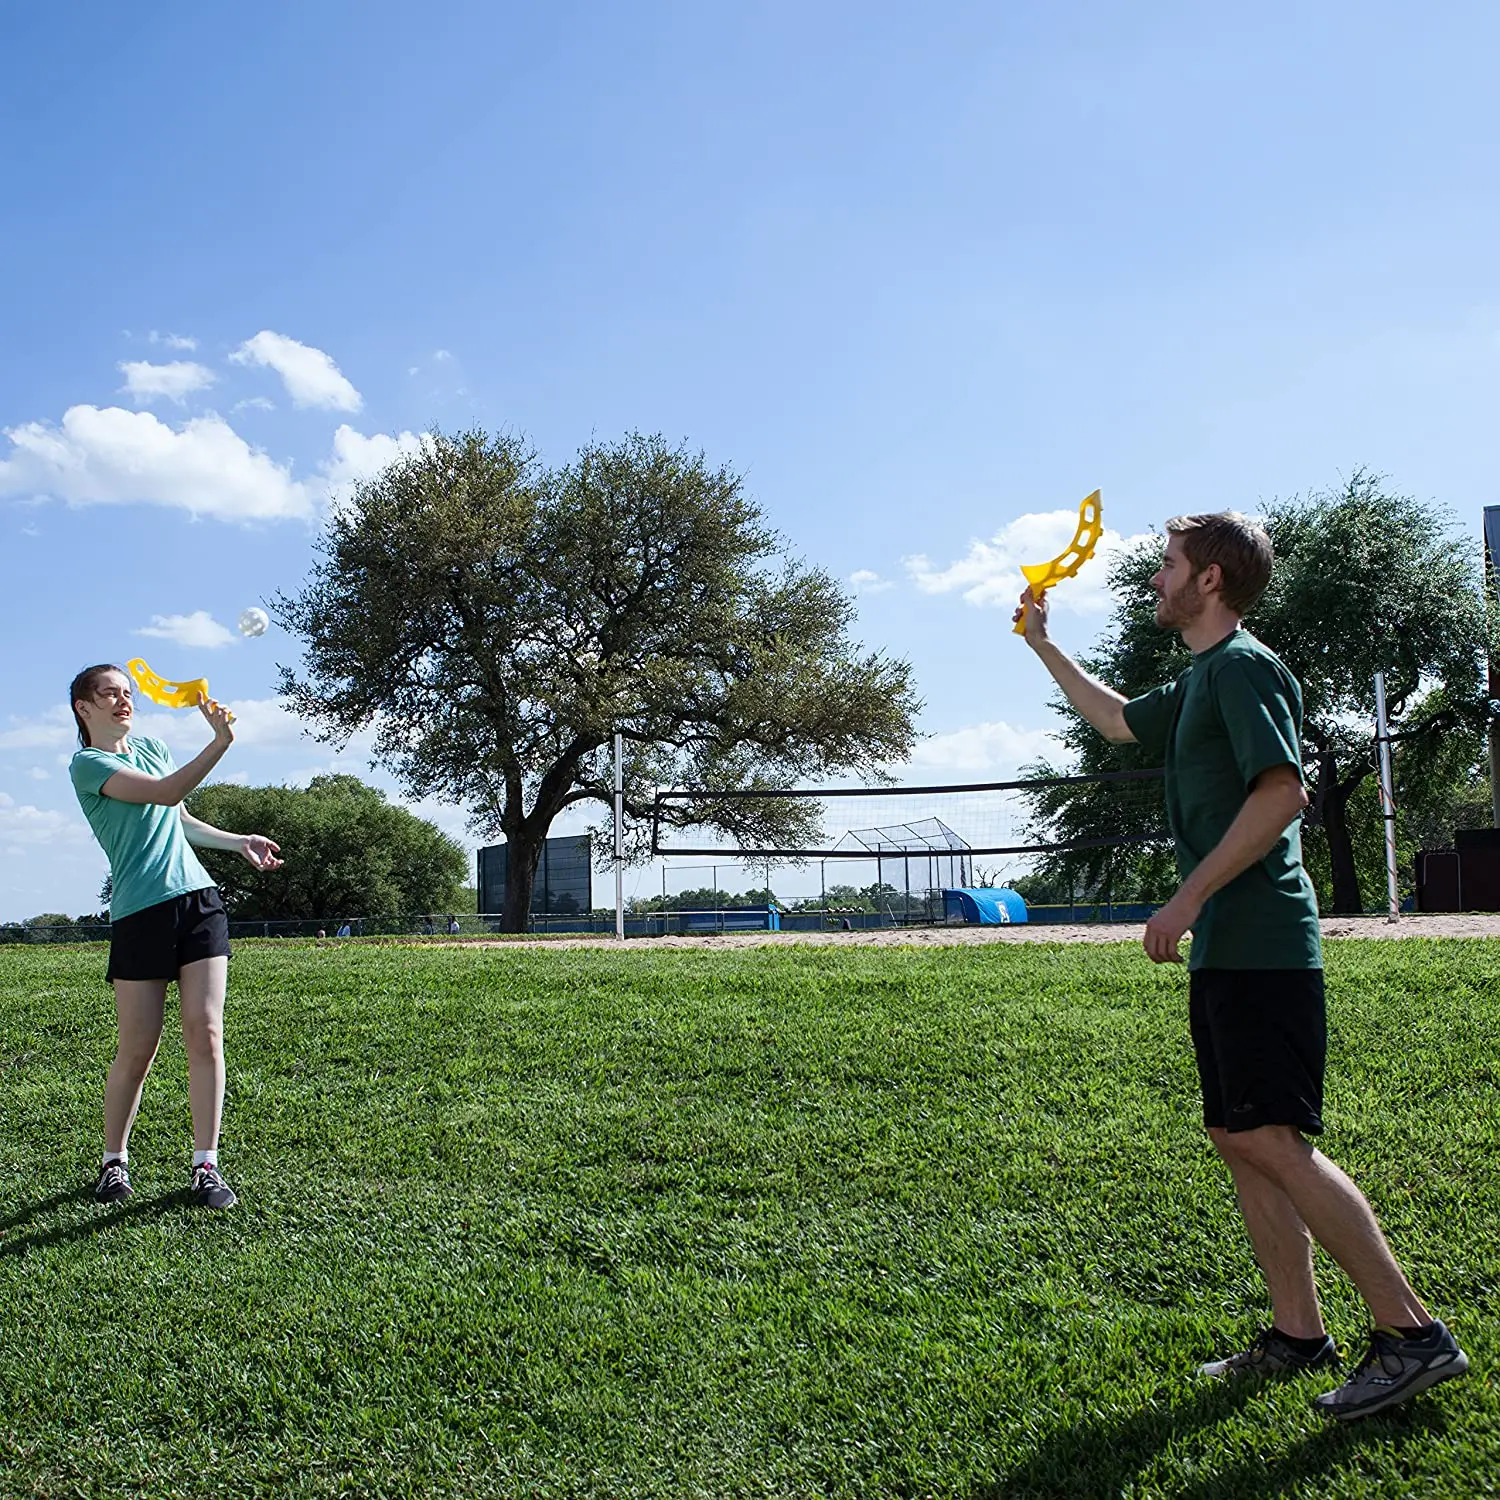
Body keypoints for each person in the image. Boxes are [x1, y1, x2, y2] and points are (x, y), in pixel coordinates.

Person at [1016, 513, 1468, 1421]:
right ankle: (1300, 1334)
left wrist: (1186, 899)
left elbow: (1283, 792)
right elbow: (1114, 723)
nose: (1155, 580)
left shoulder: (1247, 668)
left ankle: (1413, 1336)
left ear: (1211, 579)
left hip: (1262, 942)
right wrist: (1042, 644)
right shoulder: (1198, 679)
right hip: (1229, 949)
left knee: (1269, 1138)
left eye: (1167, 566)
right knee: (1238, 1136)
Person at [68, 664, 283, 1211]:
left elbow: (178, 820)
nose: (123, 701)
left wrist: (238, 842)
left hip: (199, 903)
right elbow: (163, 795)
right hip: (140, 913)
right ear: (83, 708)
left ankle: (206, 1165)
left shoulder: (155, 747)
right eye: (109, 694)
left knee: (207, 1032)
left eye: (127, 692)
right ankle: (113, 1163)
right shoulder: (89, 764)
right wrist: (221, 743)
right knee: (138, 1047)